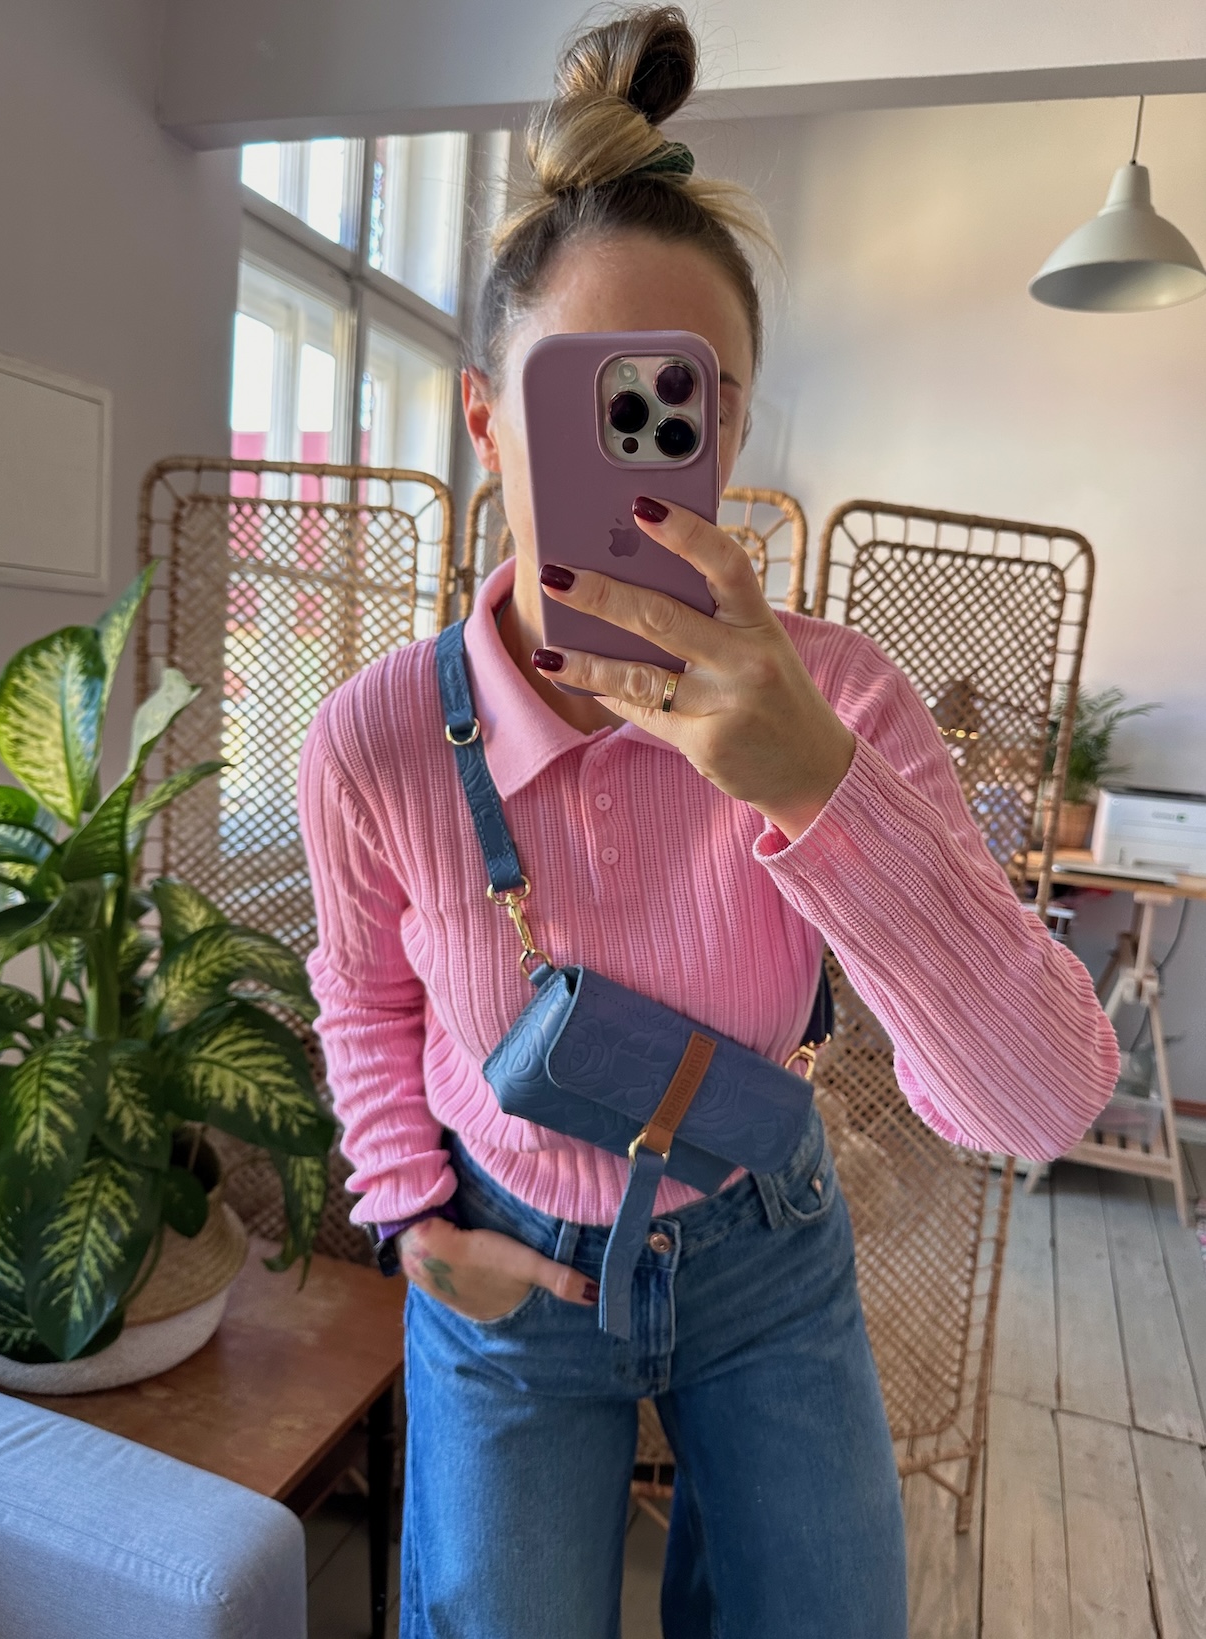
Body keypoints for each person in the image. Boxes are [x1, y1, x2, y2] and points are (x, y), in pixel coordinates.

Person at [295, 9, 1119, 1636]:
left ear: (726, 430)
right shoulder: (376, 737)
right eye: (574, 400)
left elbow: (1034, 1106)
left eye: (677, 401)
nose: (633, 450)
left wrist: (814, 784)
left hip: (765, 1240)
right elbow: (360, 997)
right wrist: (409, 1225)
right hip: (505, 1261)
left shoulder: (841, 700)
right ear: (484, 423)